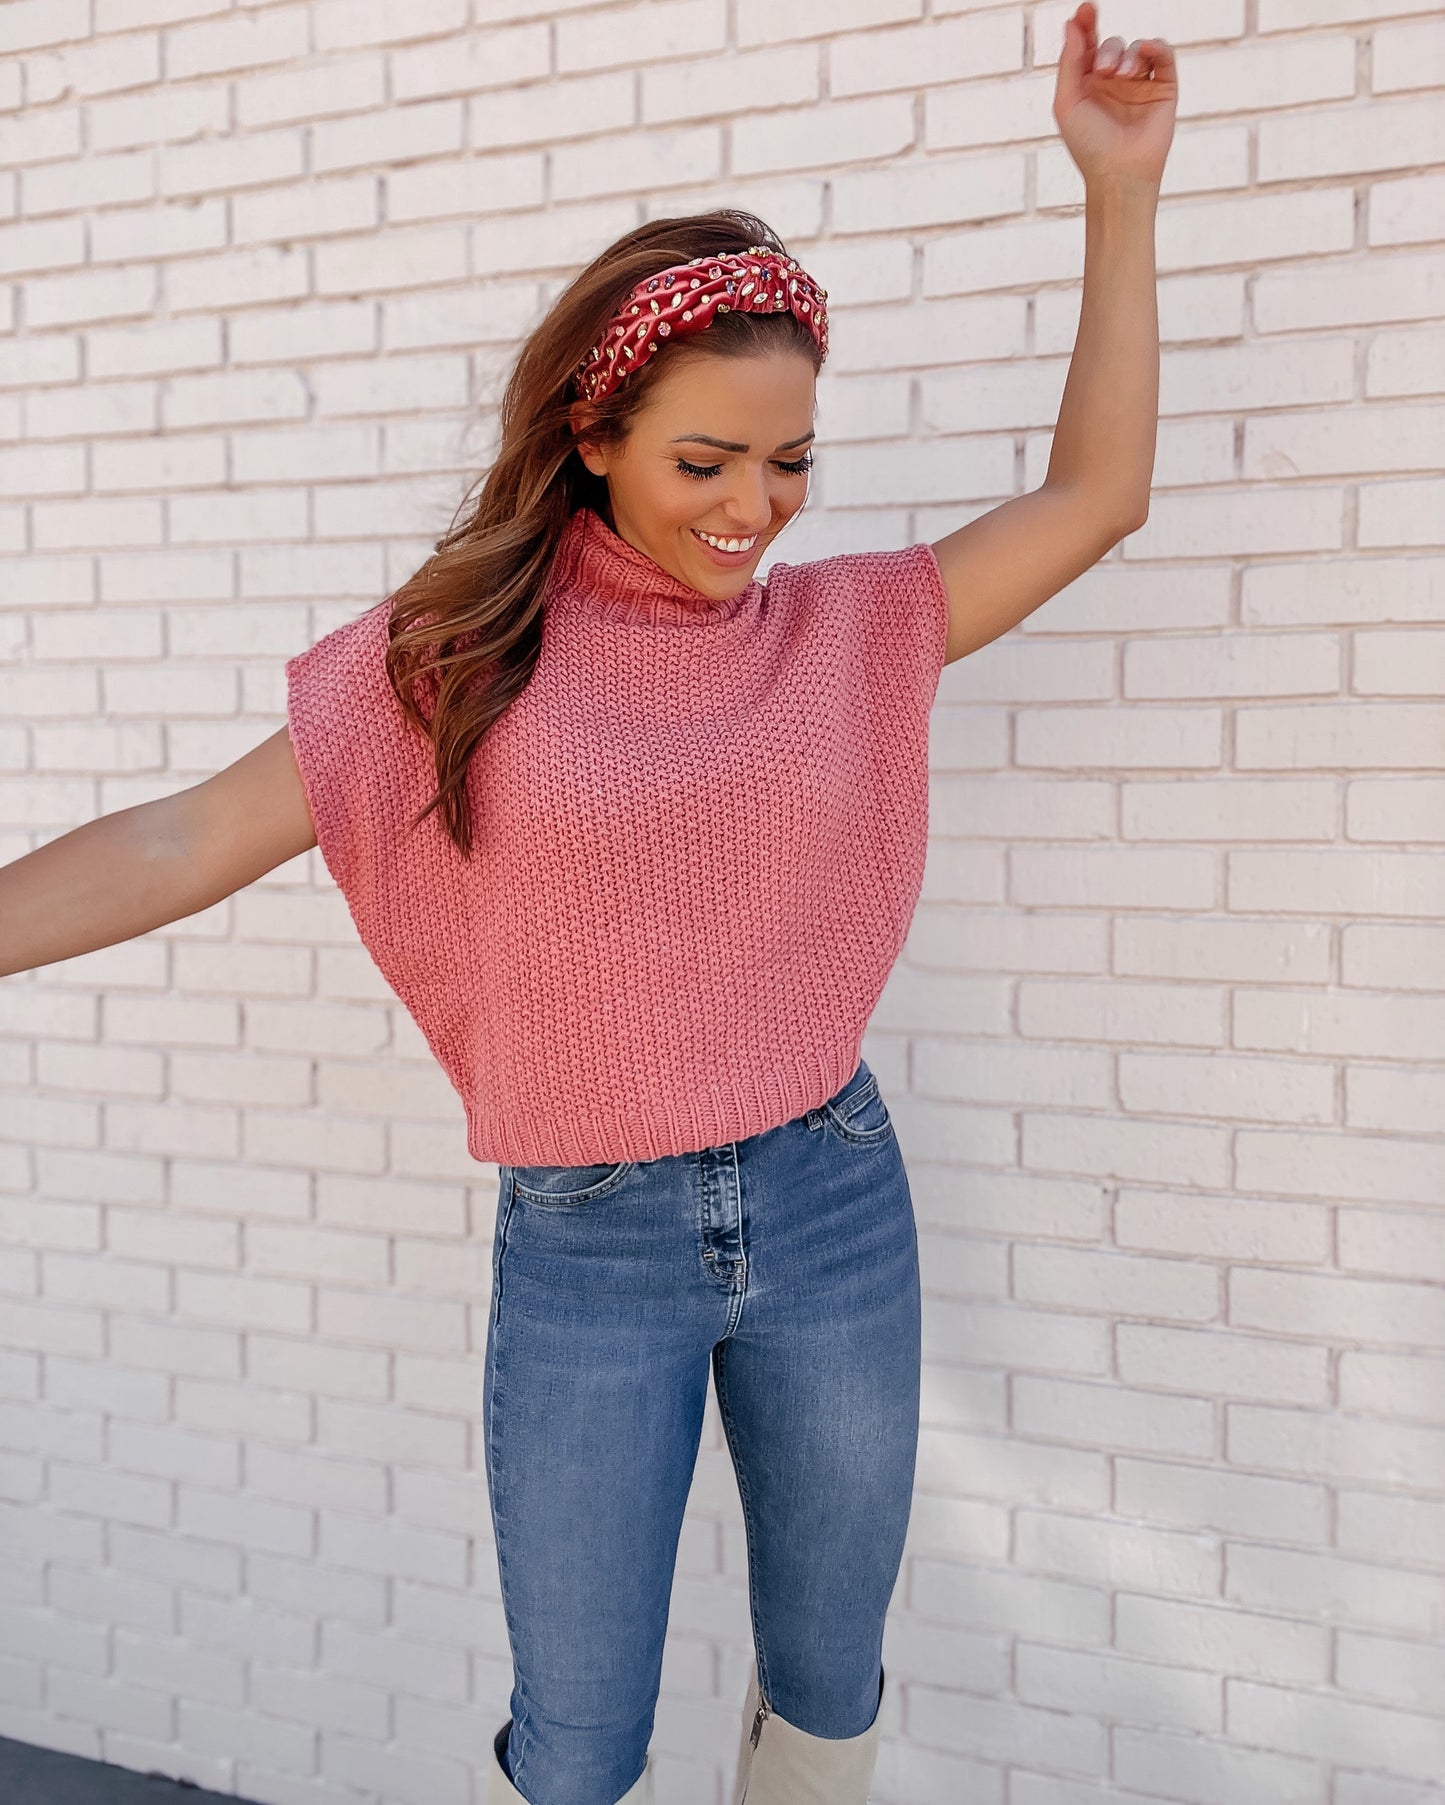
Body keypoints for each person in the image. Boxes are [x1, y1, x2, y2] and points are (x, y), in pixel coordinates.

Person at [0, 14, 1173, 1802]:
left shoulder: (844, 629)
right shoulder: (455, 659)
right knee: (578, 1741)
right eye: (705, 462)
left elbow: (1096, 498)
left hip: (834, 1197)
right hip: (590, 1242)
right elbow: (180, 841)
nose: (754, 511)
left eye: (789, 463)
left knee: (831, 1684)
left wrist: (1116, 193)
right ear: (597, 430)